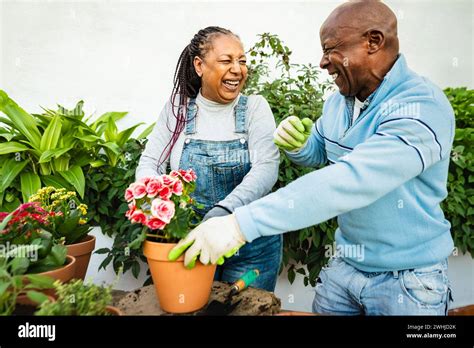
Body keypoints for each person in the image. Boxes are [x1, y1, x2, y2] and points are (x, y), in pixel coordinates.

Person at [169, 1, 456, 315]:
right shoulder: (338, 103)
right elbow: (320, 153)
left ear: (373, 41)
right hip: (345, 269)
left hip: (407, 281)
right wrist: (300, 146)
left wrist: (239, 225)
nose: (322, 62)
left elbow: (352, 179)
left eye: (331, 49)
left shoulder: (420, 106)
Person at [136, 26, 282, 291]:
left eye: (242, 61)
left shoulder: (254, 108)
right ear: (200, 65)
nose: (238, 69)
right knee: (193, 306)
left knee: (244, 307)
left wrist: (223, 213)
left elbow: (266, 167)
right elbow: (150, 163)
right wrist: (156, 206)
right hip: (193, 240)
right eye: (227, 60)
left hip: (251, 244)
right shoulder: (178, 109)